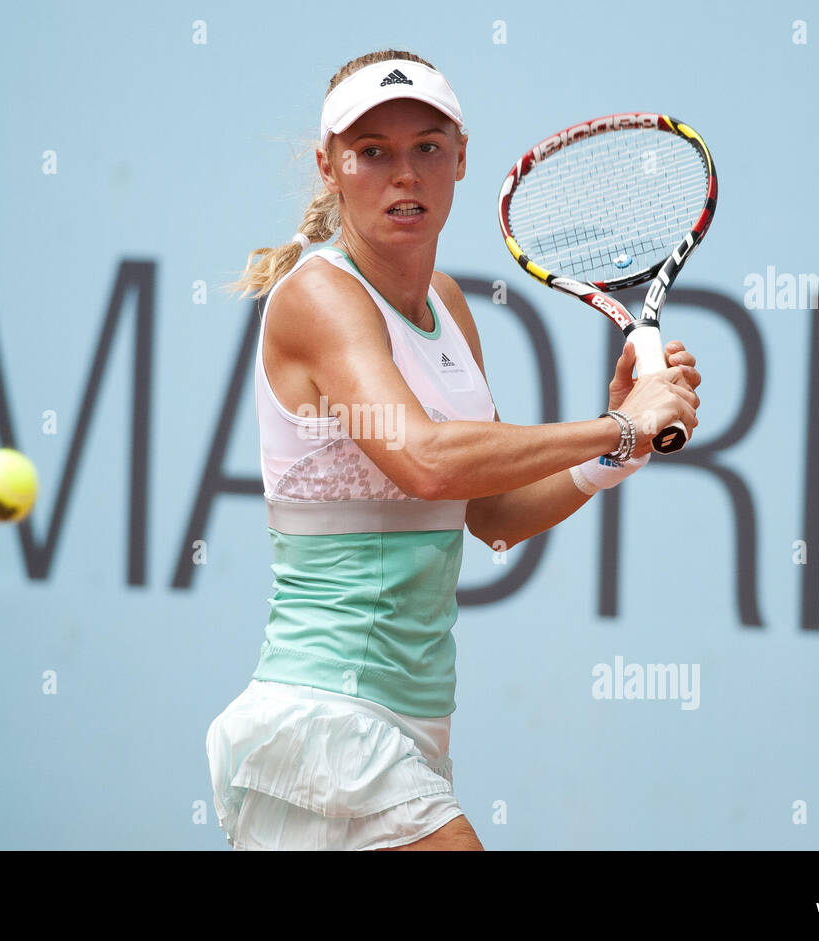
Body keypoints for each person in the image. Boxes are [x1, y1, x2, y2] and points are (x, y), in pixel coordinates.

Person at [207, 49, 701, 851]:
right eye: (373, 153)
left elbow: (492, 515)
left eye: (427, 148)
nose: (404, 174)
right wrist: (621, 423)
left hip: (413, 726)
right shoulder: (319, 296)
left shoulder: (446, 303)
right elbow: (427, 459)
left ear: (461, 157)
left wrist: (614, 450)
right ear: (330, 165)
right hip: (328, 717)